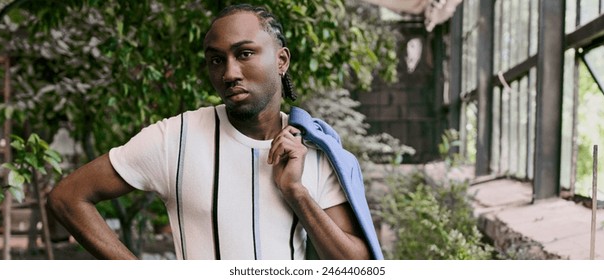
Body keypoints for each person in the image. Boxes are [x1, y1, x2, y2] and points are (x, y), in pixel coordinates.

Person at [47, 4, 380, 260]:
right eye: (216, 61)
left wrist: (296, 191)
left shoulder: (314, 150)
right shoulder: (174, 139)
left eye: (244, 54)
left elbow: (357, 264)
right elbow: (67, 197)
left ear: (281, 60)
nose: (230, 72)